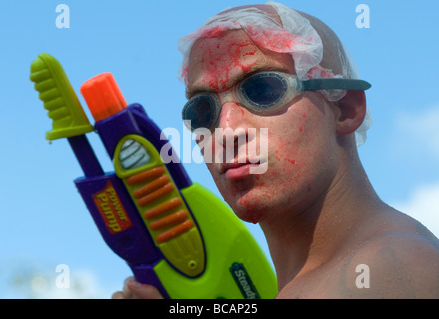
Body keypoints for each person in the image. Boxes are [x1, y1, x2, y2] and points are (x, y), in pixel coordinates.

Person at [112, 2, 439, 299]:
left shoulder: (391, 269)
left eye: (263, 89)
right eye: (202, 110)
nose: (225, 131)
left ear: (345, 108)